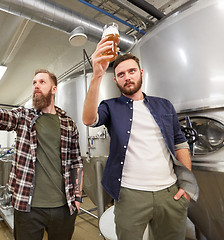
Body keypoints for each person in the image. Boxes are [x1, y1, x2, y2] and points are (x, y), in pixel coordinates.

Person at [0, 35, 83, 240]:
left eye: (42, 82)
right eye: (34, 82)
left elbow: (76, 162)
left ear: (54, 89)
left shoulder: (68, 123)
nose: (36, 85)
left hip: (64, 206)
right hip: (28, 207)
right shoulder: (24, 116)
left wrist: (78, 196)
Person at [82, 37, 199, 240]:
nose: (127, 77)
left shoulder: (164, 105)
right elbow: (88, 119)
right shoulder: (110, 106)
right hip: (130, 195)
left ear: (141, 73)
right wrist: (96, 75)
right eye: (121, 74)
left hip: (170, 193)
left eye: (131, 71)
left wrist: (186, 187)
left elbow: (180, 143)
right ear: (115, 80)